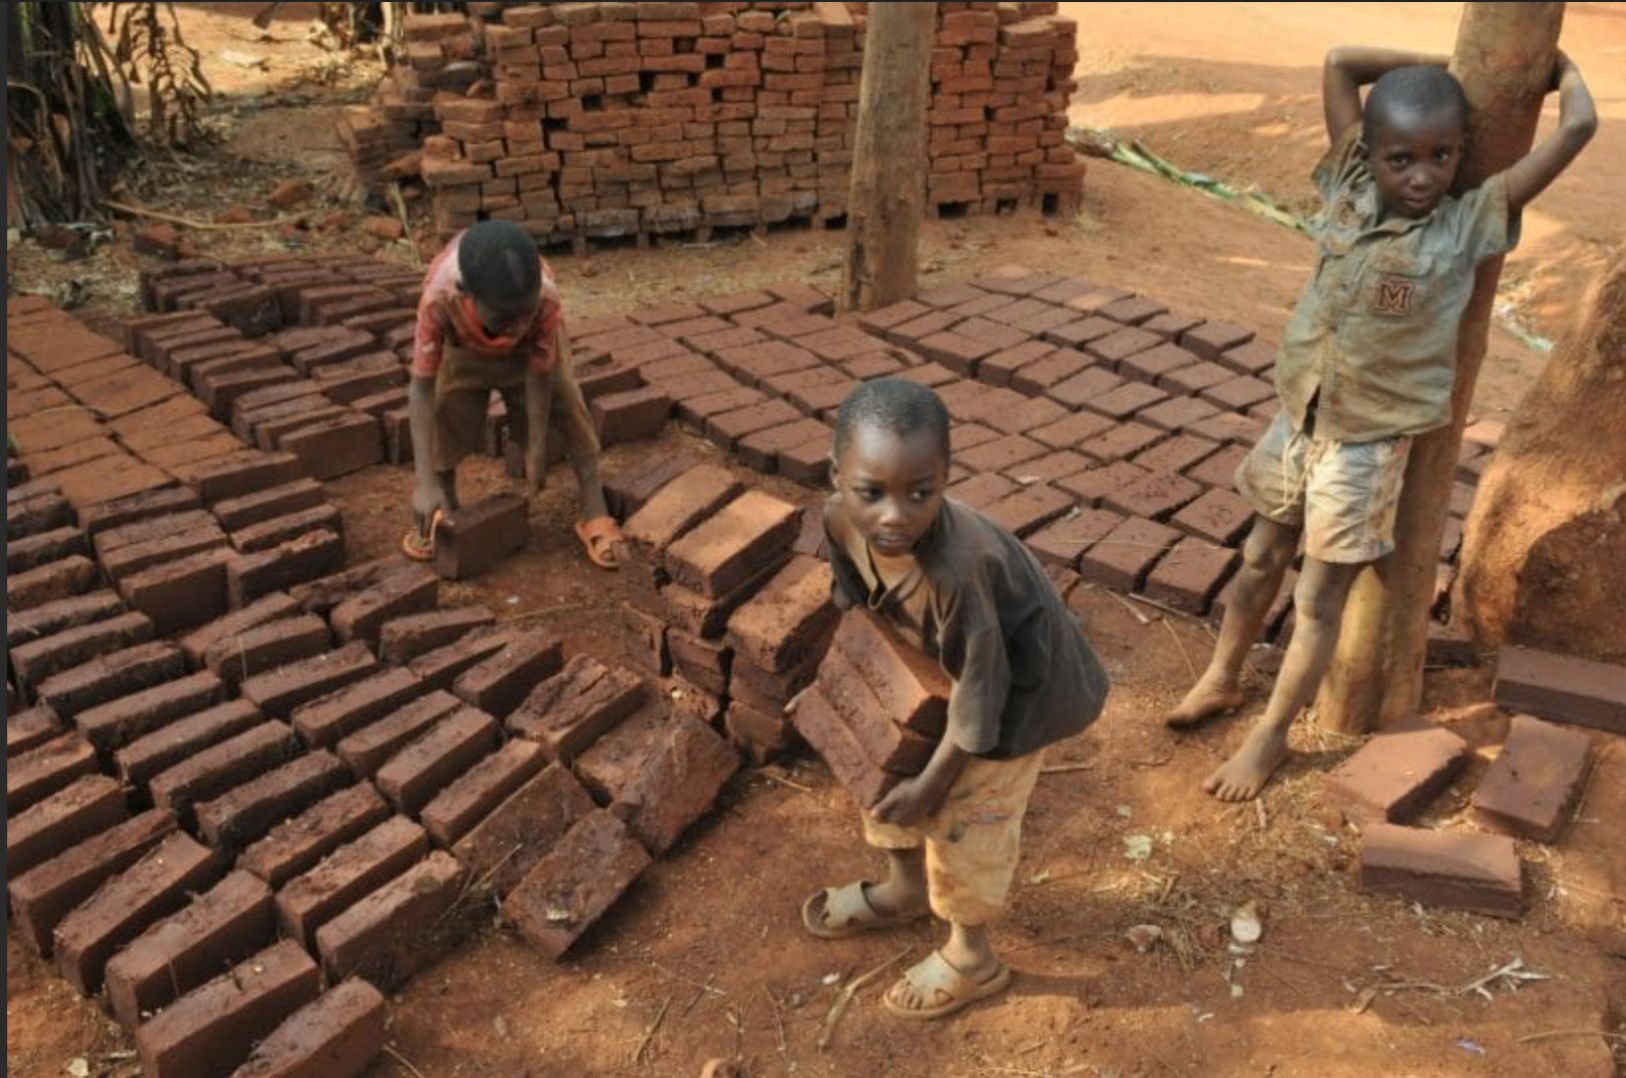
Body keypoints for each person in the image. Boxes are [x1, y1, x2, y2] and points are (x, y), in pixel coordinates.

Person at [1166, 46, 1597, 801]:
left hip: (1363, 448)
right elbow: (1337, 64)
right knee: (1259, 560)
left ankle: (1270, 739)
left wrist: (1555, 70)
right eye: (1403, 158)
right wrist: (1440, 64)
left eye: (1442, 155)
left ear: (1461, 155)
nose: (1423, 175)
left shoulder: (1466, 225)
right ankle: (1221, 678)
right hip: (1298, 416)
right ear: (1370, 154)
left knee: (1316, 601)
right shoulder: (1348, 183)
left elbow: (1579, 128)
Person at [792, 378, 1110, 1020]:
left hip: (1019, 697)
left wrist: (933, 789)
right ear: (836, 474)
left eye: (920, 494)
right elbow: (851, 594)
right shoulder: (835, 518)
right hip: (937, 674)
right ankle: (905, 889)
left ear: (945, 478)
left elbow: (980, 703)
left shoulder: (958, 574)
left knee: (968, 818)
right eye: (871, 492)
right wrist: (867, 688)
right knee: (886, 762)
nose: (894, 516)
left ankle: (973, 956)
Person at [402, 219, 623, 569]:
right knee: (448, 408)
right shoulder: (440, 298)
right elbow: (422, 389)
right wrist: (423, 482)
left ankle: (594, 507)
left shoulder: (544, 299)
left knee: (567, 401)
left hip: (531, 356)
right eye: (505, 317)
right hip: (464, 346)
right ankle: (445, 507)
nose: (517, 326)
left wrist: (535, 447)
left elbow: (539, 374)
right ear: (468, 295)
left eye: (525, 314)